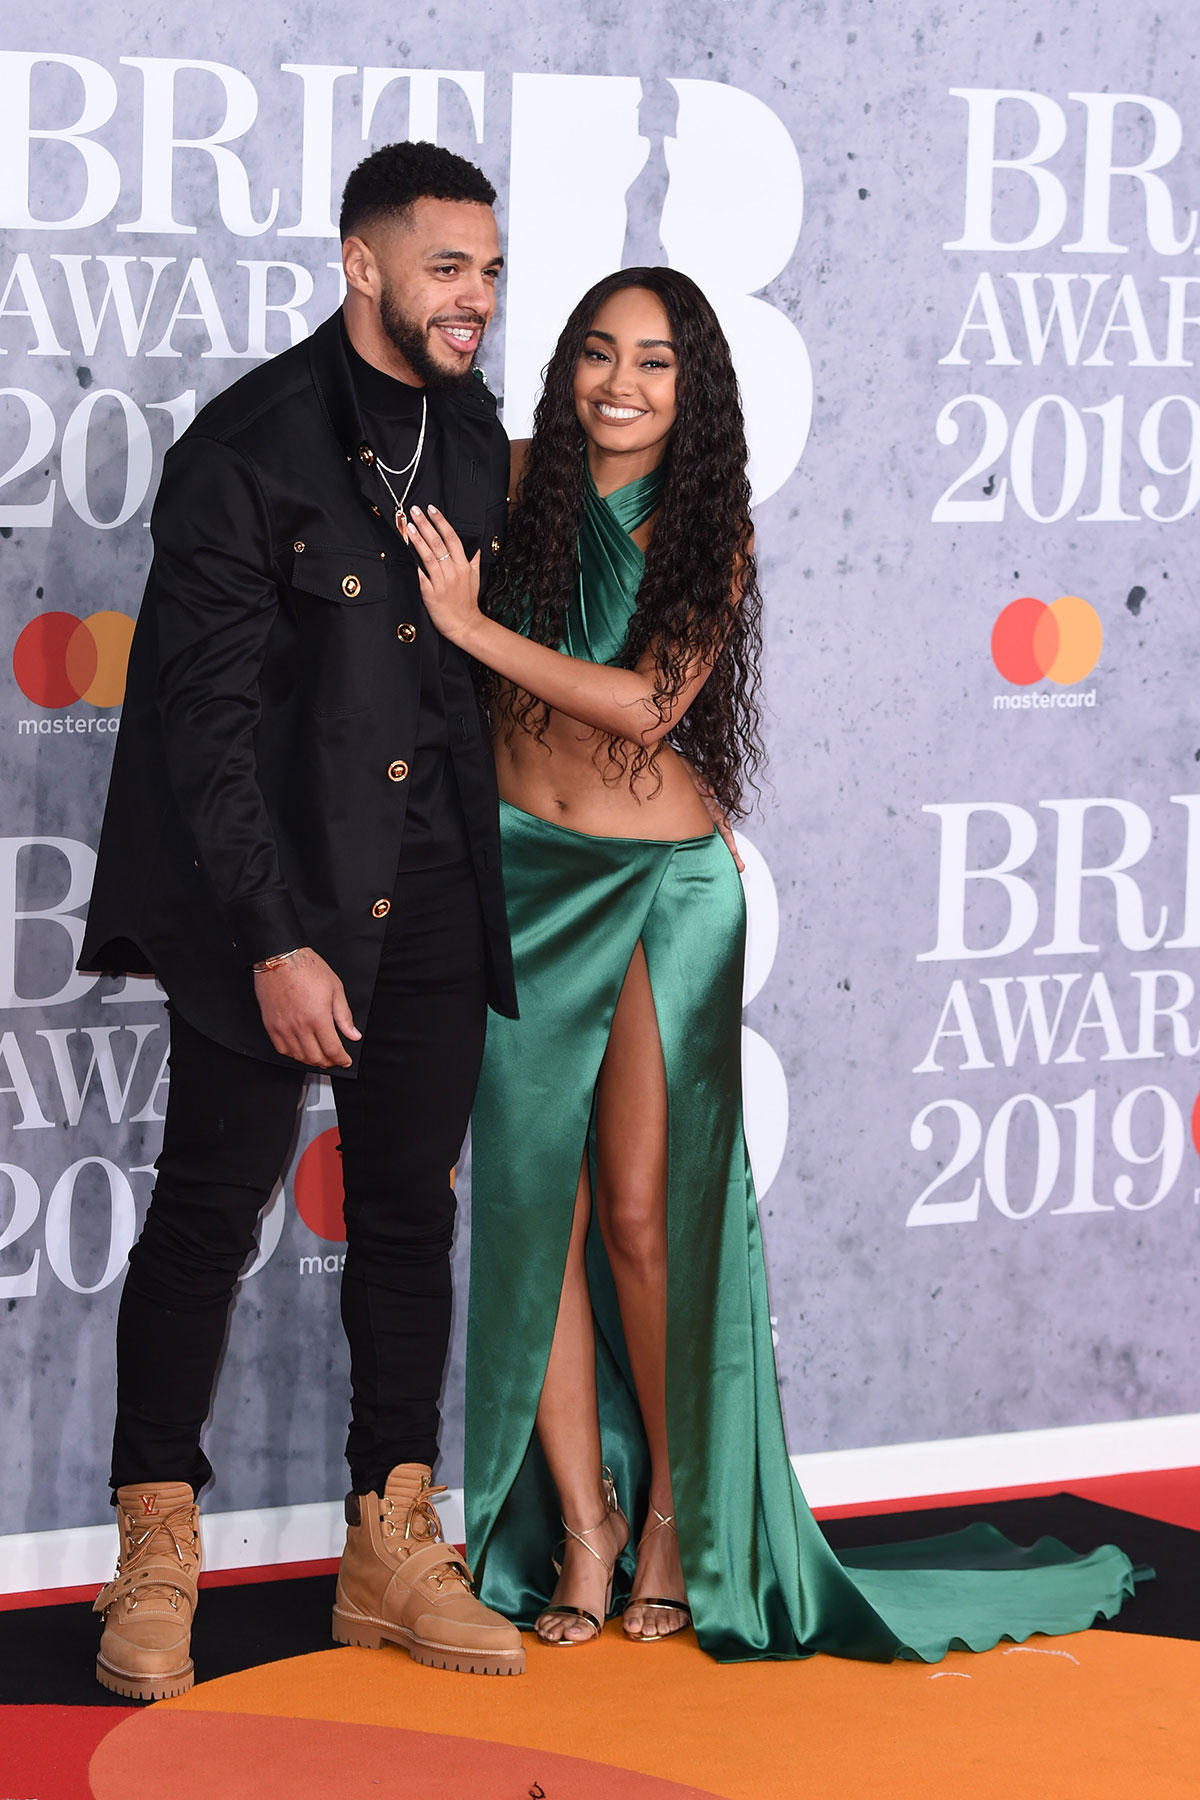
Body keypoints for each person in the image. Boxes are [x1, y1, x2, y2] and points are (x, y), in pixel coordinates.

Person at [403, 267, 1142, 1661]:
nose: (621, 384)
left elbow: (649, 704)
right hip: (511, 876)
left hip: (659, 888)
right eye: (598, 353)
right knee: (530, 1216)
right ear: (565, 366)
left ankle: (674, 1523)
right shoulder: (509, 475)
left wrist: (475, 629)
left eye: (655, 362)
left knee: (642, 1217)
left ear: (695, 389)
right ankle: (584, 1527)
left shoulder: (709, 527)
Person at [78, 141, 526, 1699]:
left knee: (407, 1217)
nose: (475, 296)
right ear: (361, 264)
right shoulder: (246, 449)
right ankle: (154, 1552)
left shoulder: (473, 436)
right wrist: (275, 938)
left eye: (489, 268)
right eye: (447, 267)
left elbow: (455, 683)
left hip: (437, 891)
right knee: (210, 1214)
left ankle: (390, 1548)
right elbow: (199, 731)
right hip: (270, 906)